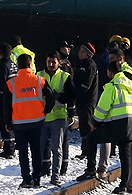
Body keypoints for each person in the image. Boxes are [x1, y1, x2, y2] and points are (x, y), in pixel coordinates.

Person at [79, 47, 132, 193]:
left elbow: (102, 108)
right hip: (131, 122)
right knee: (126, 154)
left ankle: (93, 169)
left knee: (92, 139)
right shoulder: (131, 83)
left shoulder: (114, 85)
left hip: (116, 124)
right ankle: (126, 185)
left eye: (112, 60)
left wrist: (95, 123)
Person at [9, 52, 47, 187]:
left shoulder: (11, 83)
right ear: (30, 64)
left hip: (19, 123)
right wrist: (46, 110)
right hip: (37, 121)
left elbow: (6, 105)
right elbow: (52, 96)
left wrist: (8, 122)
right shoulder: (39, 80)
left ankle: (26, 178)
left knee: (23, 152)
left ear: (18, 66)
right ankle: (37, 177)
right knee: (36, 150)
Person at [41, 50, 77, 185]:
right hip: (42, 116)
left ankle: (55, 176)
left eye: (53, 62)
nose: (50, 64)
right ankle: (38, 174)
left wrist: (60, 97)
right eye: (49, 62)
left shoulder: (65, 76)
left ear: (58, 63)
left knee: (57, 148)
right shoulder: (39, 75)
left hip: (58, 117)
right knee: (40, 147)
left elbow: (73, 94)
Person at [72, 42, 106, 178]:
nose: (80, 53)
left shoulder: (90, 66)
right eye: (80, 51)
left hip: (87, 101)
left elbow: (86, 84)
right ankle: (84, 149)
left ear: (88, 54)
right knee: (83, 125)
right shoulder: (82, 64)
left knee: (86, 126)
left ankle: (87, 150)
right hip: (81, 100)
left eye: (83, 51)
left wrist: (75, 92)